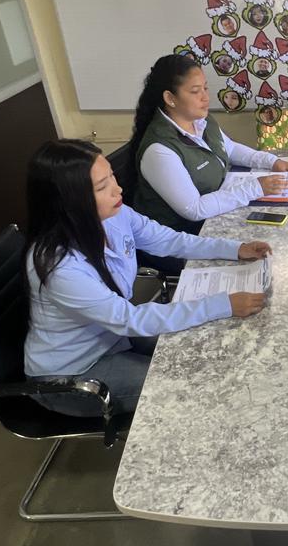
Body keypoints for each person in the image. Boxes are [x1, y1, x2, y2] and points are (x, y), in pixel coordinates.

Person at [24, 138, 271, 417]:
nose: (118, 189)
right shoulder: (60, 267)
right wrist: (224, 304)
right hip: (74, 374)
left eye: (112, 176)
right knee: (193, 386)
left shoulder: (113, 215)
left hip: (114, 336)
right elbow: (130, 320)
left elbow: (168, 240)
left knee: (207, 347)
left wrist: (234, 249)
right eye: (102, 187)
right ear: (68, 201)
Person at [131, 54, 288, 232]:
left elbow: (230, 148)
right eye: (195, 91)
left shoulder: (200, 120)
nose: (205, 97)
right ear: (170, 98)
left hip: (217, 215)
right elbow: (194, 209)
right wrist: (256, 188)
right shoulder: (159, 151)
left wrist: (272, 162)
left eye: (205, 88)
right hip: (185, 235)